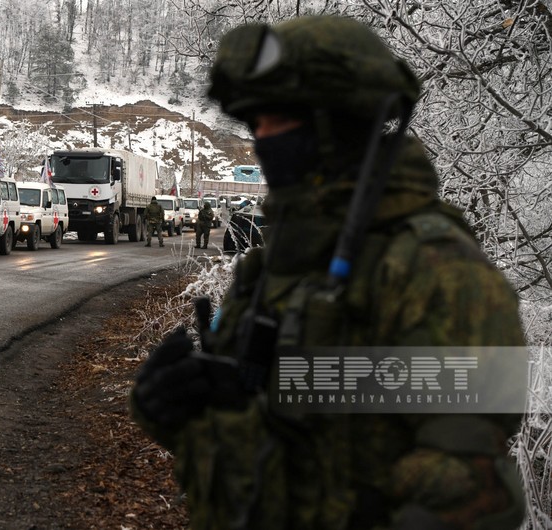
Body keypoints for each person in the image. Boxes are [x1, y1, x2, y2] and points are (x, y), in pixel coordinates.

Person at [130, 16, 526, 530]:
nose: (262, 140)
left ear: (335, 123)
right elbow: (278, 437)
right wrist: (181, 411)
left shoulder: (438, 273)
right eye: (256, 125)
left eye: (275, 122)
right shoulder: (275, 266)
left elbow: (475, 490)